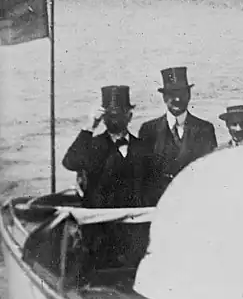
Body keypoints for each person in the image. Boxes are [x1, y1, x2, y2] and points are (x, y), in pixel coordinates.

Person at [63, 85, 153, 208]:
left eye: (119, 114)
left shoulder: (144, 148)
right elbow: (70, 162)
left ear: (129, 116)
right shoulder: (92, 145)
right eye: (110, 115)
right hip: (100, 222)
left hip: (134, 222)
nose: (114, 119)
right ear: (103, 118)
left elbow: (154, 187)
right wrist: (90, 127)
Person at [138, 67, 217, 205]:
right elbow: (143, 176)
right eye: (172, 94)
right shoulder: (149, 130)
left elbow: (209, 172)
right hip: (159, 205)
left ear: (189, 95)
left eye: (182, 93)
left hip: (193, 203)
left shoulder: (204, 129)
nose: (177, 99)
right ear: (164, 97)